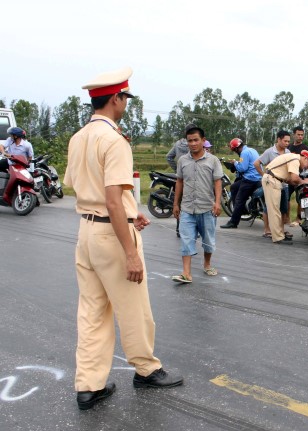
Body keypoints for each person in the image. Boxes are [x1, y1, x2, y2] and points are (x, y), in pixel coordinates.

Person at [63, 67, 183, 411]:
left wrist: (131, 213)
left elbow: (82, 186)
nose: (126, 104)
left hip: (87, 230)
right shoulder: (113, 140)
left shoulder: (79, 136)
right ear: (116, 99)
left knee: (92, 311)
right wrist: (130, 251)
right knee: (133, 307)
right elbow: (112, 198)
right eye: (125, 98)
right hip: (111, 236)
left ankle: (89, 385)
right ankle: (146, 369)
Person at [172, 125, 224, 282]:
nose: (193, 143)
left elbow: (217, 182)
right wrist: (176, 204)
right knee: (186, 239)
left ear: (203, 140)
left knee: (208, 240)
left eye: (196, 140)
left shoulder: (213, 161)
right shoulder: (182, 160)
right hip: (187, 208)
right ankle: (186, 273)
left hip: (207, 208)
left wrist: (217, 202)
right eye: (190, 141)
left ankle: (207, 264)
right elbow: (179, 182)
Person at [261, 150, 308, 244]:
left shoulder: (292, 157)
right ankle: (278, 238)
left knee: (278, 210)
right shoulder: (295, 159)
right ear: (305, 158)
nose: (306, 167)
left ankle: (280, 234)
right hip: (272, 180)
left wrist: (299, 183)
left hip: (275, 180)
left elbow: (290, 180)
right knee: (274, 211)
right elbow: (294, 178)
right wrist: (304, 182)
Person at [254, 130, 292, 238]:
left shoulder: (288, 153)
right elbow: (256, 163)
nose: (287, 143)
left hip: (284, 185)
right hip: (271, 184)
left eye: (288, 141)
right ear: (278, 139)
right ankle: (267, 230)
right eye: (285, 141)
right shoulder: (269, 152)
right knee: (269, 207)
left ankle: (280, 230)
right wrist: (264, 176)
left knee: (283, 208)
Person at [220, 138, 261, 229]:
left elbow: (242, 168)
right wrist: (238, 163)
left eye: (235, 150)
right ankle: (242, 210)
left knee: (239, 200)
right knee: (234, 187)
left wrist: (235, 163)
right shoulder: (252, 150)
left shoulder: (244, 153)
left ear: (236, 148)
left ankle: (233, 222)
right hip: (258, 179)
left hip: (250, 180)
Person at [287, 126, 308, 226]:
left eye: (302, 135)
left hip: (300, 176)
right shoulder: (289, 147)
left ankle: (298, 219)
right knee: (285, 197)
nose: (300, 137)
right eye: (298, 135)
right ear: (294, 135)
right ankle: (286, 218)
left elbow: (307, 163)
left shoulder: (305, 148)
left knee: (300, 198)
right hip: (289, 176)